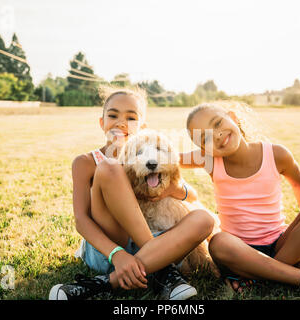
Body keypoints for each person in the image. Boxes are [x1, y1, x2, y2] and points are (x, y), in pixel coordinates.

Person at [180, 102, 300, 299]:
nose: (217, 135)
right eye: (205, 138)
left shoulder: (276, 154)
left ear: (232, 117)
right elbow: (168, 158)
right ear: (203, 149)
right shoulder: (210, 161)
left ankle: (263, 277)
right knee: (218, 242)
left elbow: (299, 185)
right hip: (240, 255)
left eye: (217, 124)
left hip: (283, 247)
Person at [49, 86, 214, 300]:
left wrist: (172, 189)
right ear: (102, 122)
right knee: (110, 167)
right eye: (113, 115)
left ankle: (103, 284)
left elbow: (190, 195)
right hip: (107, 249)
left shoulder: (151, 158)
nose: (121, 122)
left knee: (204, 219)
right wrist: (116, 255)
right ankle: (162, 270)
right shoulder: (86, 162)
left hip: (145, 248)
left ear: (143, 127)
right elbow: (81, 221)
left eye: (131, 118)